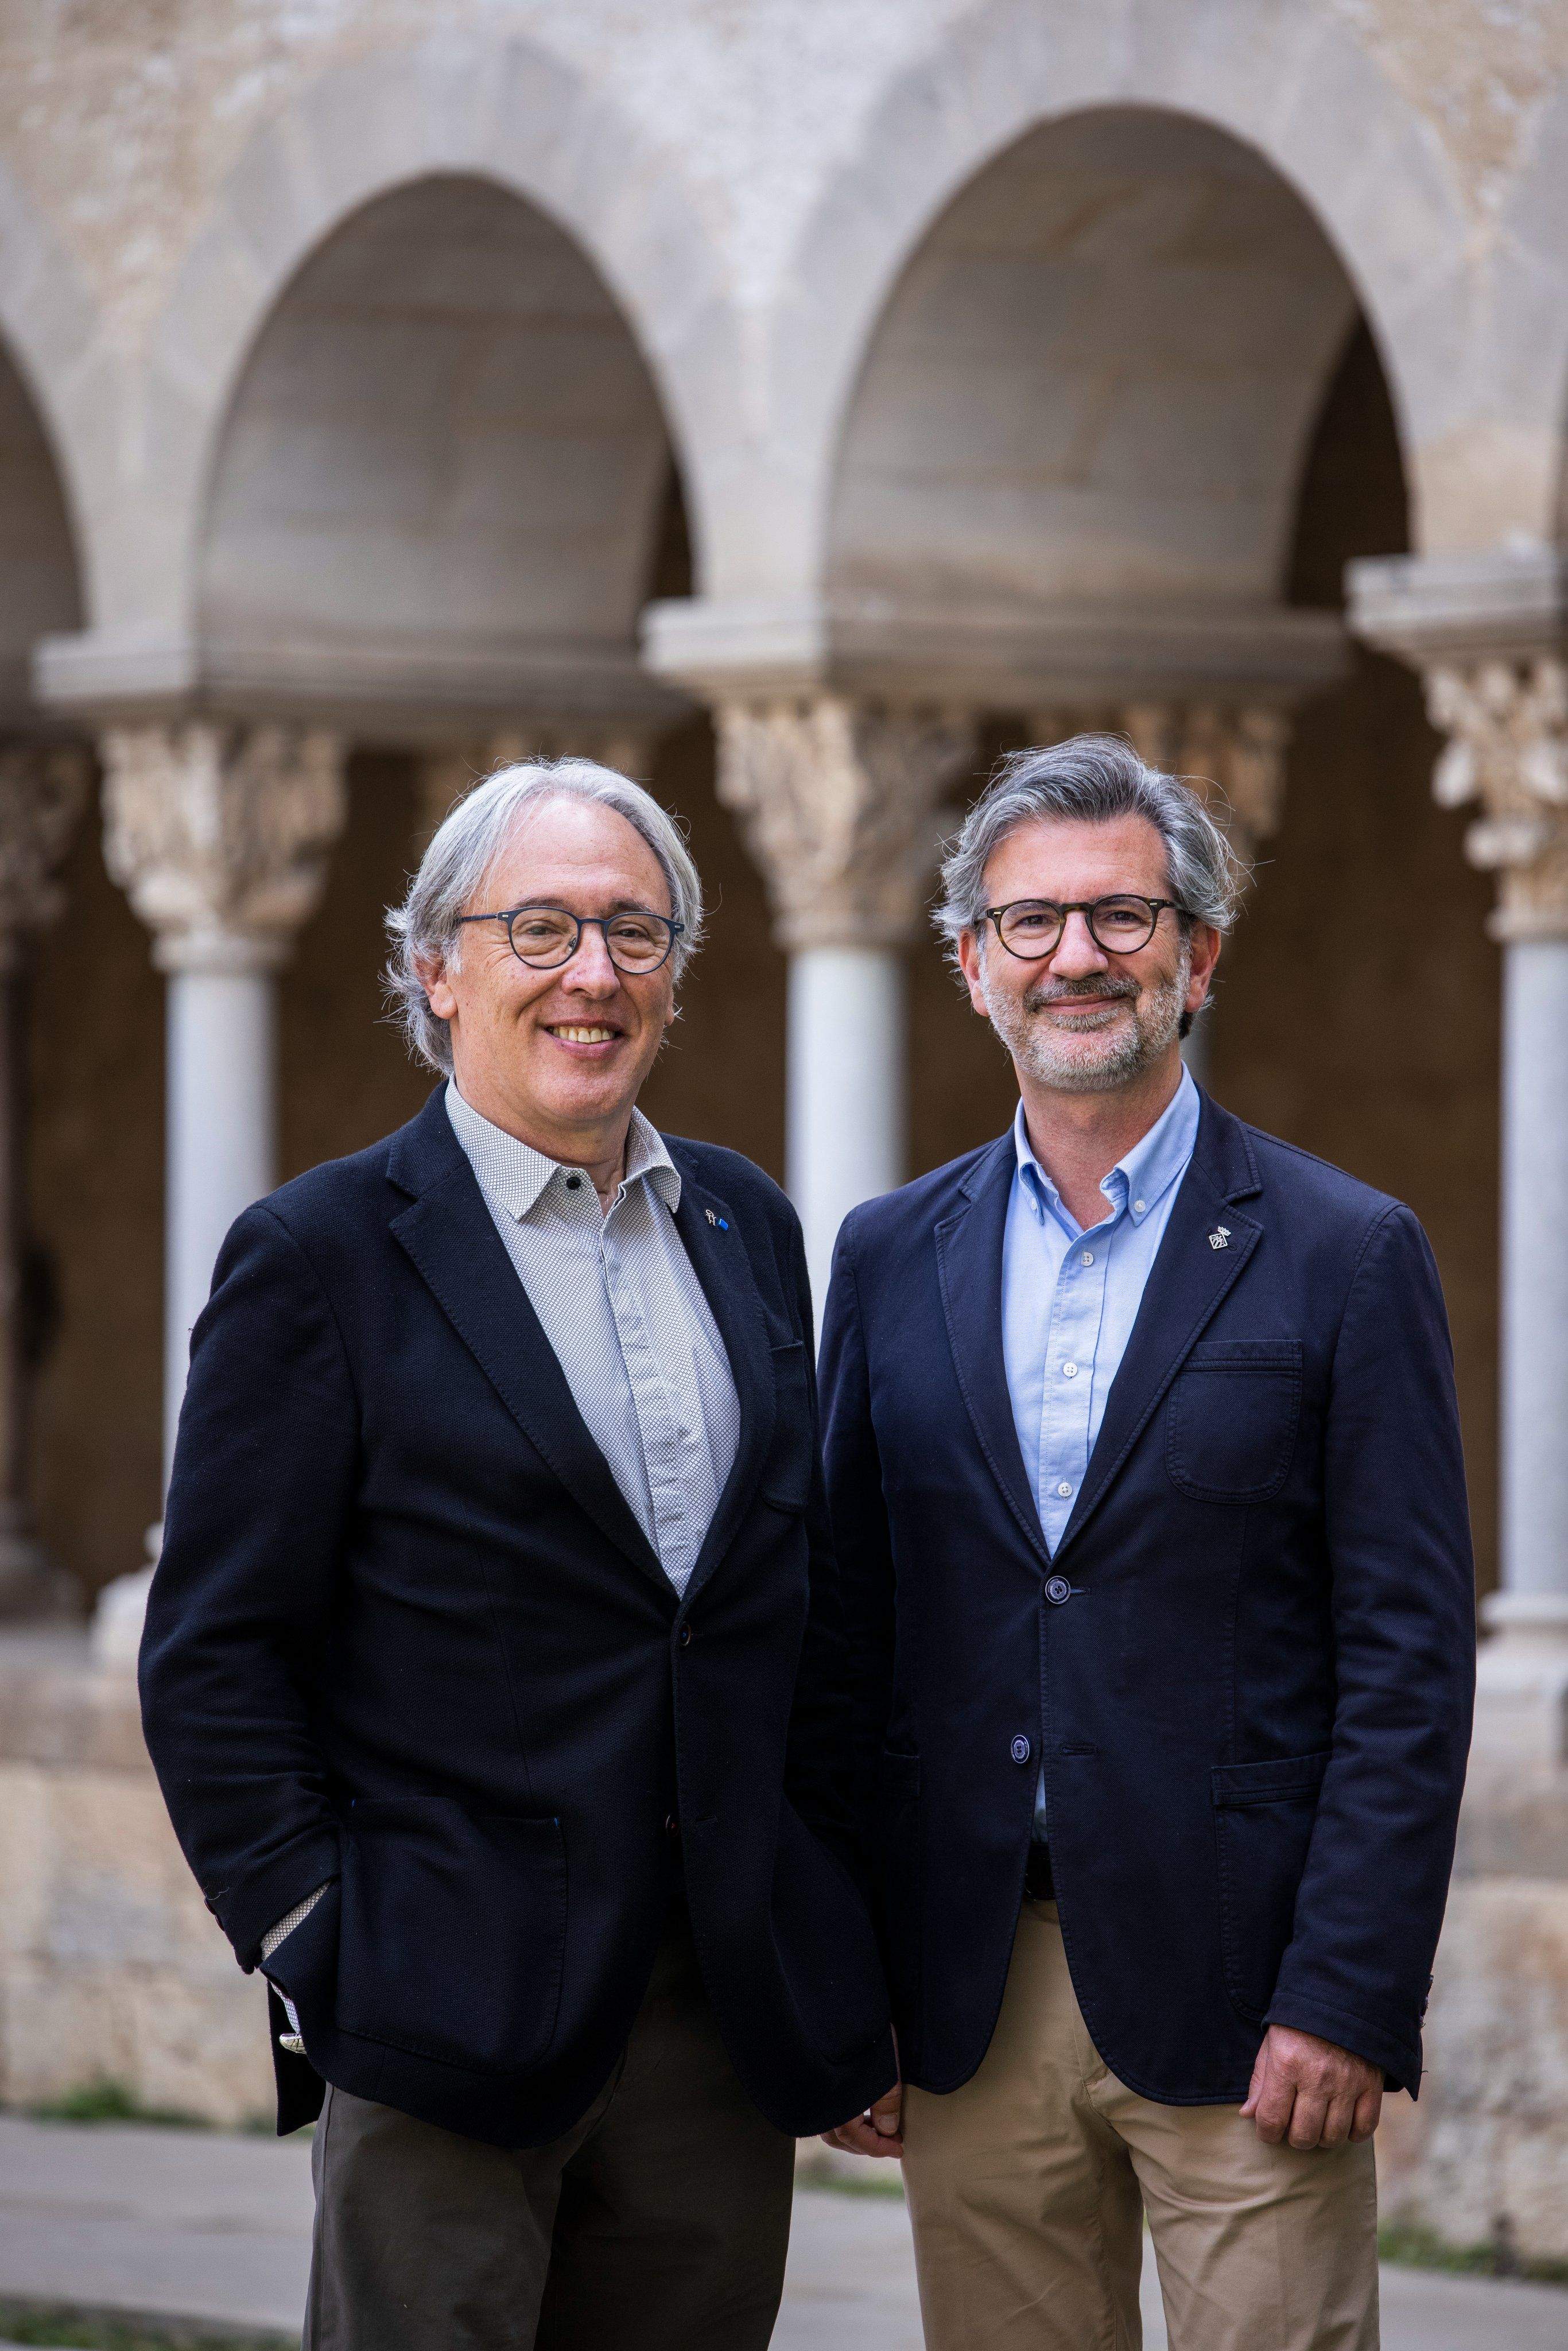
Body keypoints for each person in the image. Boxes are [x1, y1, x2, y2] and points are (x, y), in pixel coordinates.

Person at [139, 758, 894, 2351]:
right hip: (438, 2011)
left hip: (714, 2020)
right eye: (538, 929)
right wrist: (315, 1945)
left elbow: (791, 1617)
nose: (592, 974)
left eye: (634, 930)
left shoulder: (745, 1229)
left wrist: (824, 1939)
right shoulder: (322, 1256)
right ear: (436, 965)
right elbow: (215, 1654)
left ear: (675, 973)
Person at [818, 735, 1475, 2350]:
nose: (1076, 958)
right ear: (971, 965)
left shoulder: (1342, 1253)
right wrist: (849, 1987)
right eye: (1028, 924)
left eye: (1122, 915)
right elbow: (847, 1638)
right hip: (966, 1994)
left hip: (1247, 1993)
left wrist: (1347, 1994)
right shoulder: (890, 1254)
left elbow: (1406, 1659)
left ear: (1199, 952)